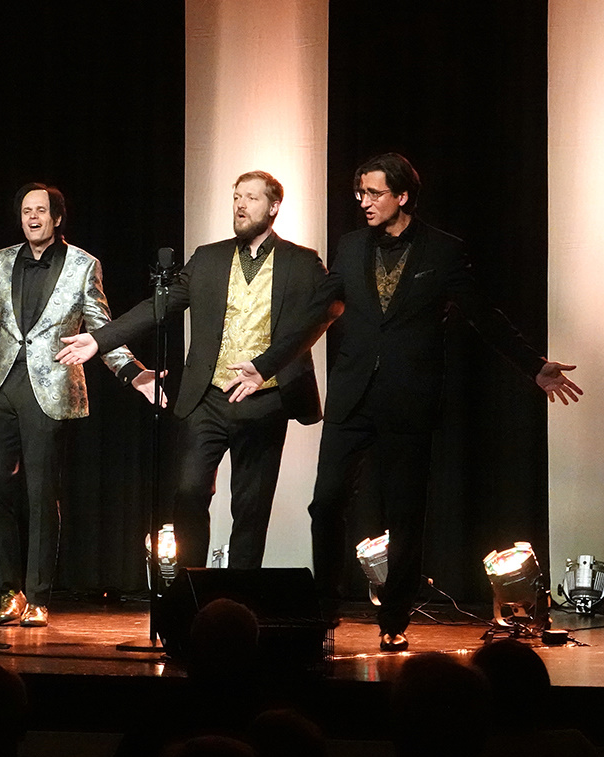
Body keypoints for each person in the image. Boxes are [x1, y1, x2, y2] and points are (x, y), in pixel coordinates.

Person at [227, 153, 582, 651]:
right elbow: (317, 314)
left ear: (403, 196)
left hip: (408, 399)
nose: (364, 202)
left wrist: (533, 365)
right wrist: (266, 364)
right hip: (352, 397)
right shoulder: (351, 247)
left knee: (405, 514)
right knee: (325, 503)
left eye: (374, 193)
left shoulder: (443, 250)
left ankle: (393, 616)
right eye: (360, 194)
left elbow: (483, 314)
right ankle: (325, 607)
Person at [57, 171, 333, 569]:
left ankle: (238, 595)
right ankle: (192, 585)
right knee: (188, 492)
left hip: (266, 399)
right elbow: (159, 307)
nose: (240, 205)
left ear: (274, 207)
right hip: (209, 398)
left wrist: (270, 365)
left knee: (251, 507)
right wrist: (101, 339)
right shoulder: (208, 258)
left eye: (251, 198)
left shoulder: (302, 262)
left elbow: (325, 311)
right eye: (236, 197)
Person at [0, 183, 157, 628]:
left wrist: (132, 372)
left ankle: (39, 595)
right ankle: (9, 591)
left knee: (42, 494)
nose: (32, 217)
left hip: (51, 388)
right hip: (1, 387)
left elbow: (101, 327)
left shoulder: (83, 265)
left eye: (41, 210)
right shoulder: (0, 261)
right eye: (26, 210)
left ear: (57, 217)